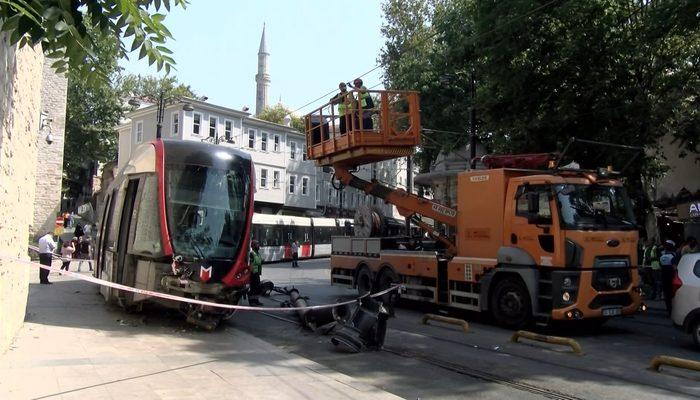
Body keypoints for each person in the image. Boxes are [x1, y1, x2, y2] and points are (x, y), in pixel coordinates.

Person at [659, 239, 680, 314]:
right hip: (672, 276)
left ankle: (669, 310)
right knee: (672, 294)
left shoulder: (662, 255)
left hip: (664, 276)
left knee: (667, 294)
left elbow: (661, 265)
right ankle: (673, 310)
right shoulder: (674, 255)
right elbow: (676, 266)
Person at [248, 240, 263, 306]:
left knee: (257, 287)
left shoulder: (257, 253)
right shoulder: (252, 253)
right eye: (257, 244)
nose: (258, 246)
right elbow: (250, 264)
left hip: (257, 273)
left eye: (258, 244)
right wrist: (251, 273)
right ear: (253, 246)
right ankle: (251, 301)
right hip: (253, 273)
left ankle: (256, 300)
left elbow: (259, 263)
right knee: (253, 288)